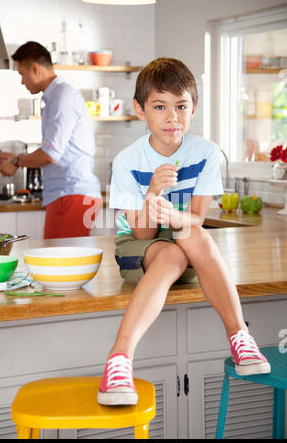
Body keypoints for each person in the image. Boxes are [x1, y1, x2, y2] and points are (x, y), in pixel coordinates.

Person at [97, 58, 270, 406]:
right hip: (138, 245)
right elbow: (143, 234)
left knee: (191, 236)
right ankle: (119, 359)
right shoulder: (128, 161)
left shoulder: (205, 153)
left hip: (184, 242)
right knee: (175, 247)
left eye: (181, 106)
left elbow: (196, 218)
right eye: (159, 106)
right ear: (140, 109)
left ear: (193, 108)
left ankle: (240, 337)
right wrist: (152, 195)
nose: (172, 117)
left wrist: (175, 217)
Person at [0, 41, 101, 238]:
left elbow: (50, 154)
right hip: (65, 194)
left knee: (62, 264)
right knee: (58, 263)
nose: (22, 82)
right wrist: (16, 158)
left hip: (72, 193)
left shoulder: (63, 97)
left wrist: (17, 162)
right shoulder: (55, 98)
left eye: (22, 74)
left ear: (35, 69)